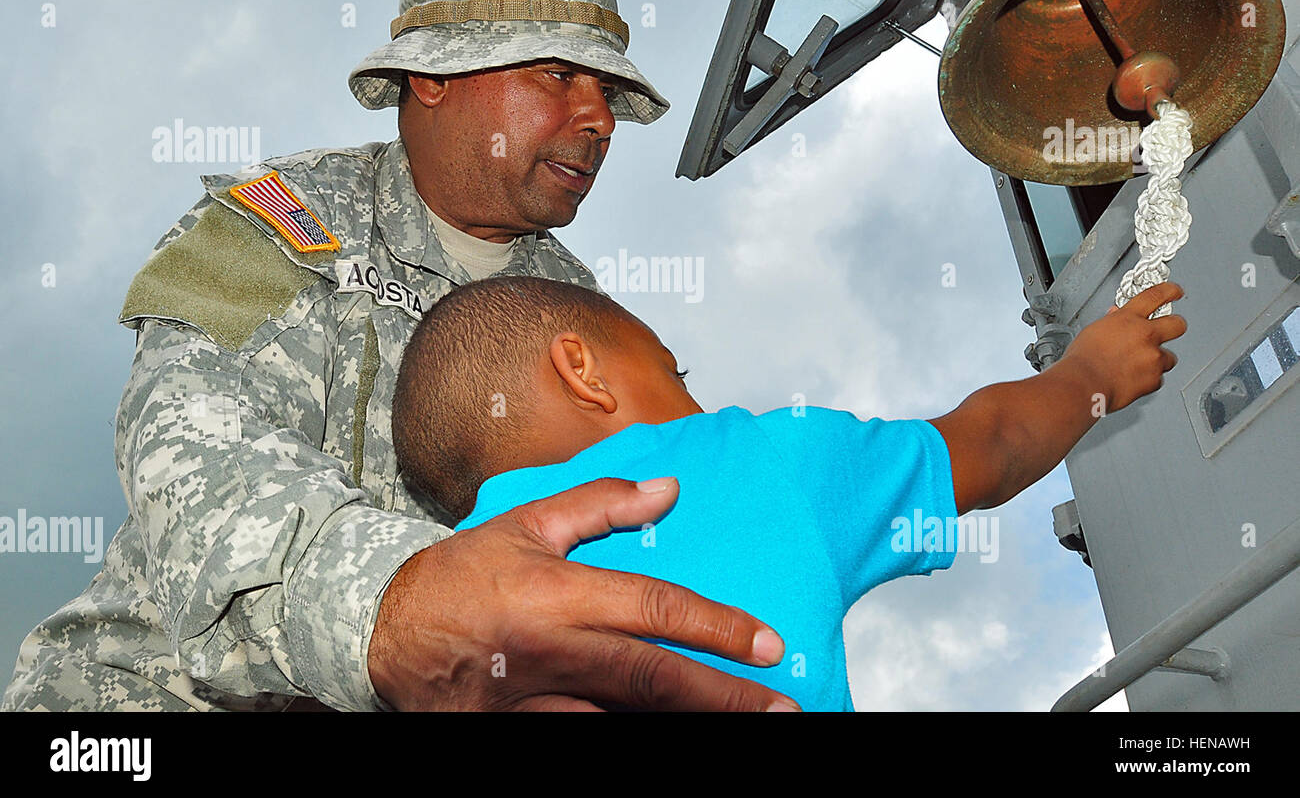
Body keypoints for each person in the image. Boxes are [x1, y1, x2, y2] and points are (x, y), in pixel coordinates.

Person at [2, 0, 796, 712]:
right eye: (560, 74)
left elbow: (653, 505)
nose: (600, 120)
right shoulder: (288, 220)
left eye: (606, 95)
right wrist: (394, 605)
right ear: (435, 79)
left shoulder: (580, 310)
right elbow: (184, 442)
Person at [391, 275, 1188, 710]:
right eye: (673, 370)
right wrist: (1092, 374)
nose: (694, 399)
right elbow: (993, 446)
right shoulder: (746, 460)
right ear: (582, 372)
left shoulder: (441, 600)